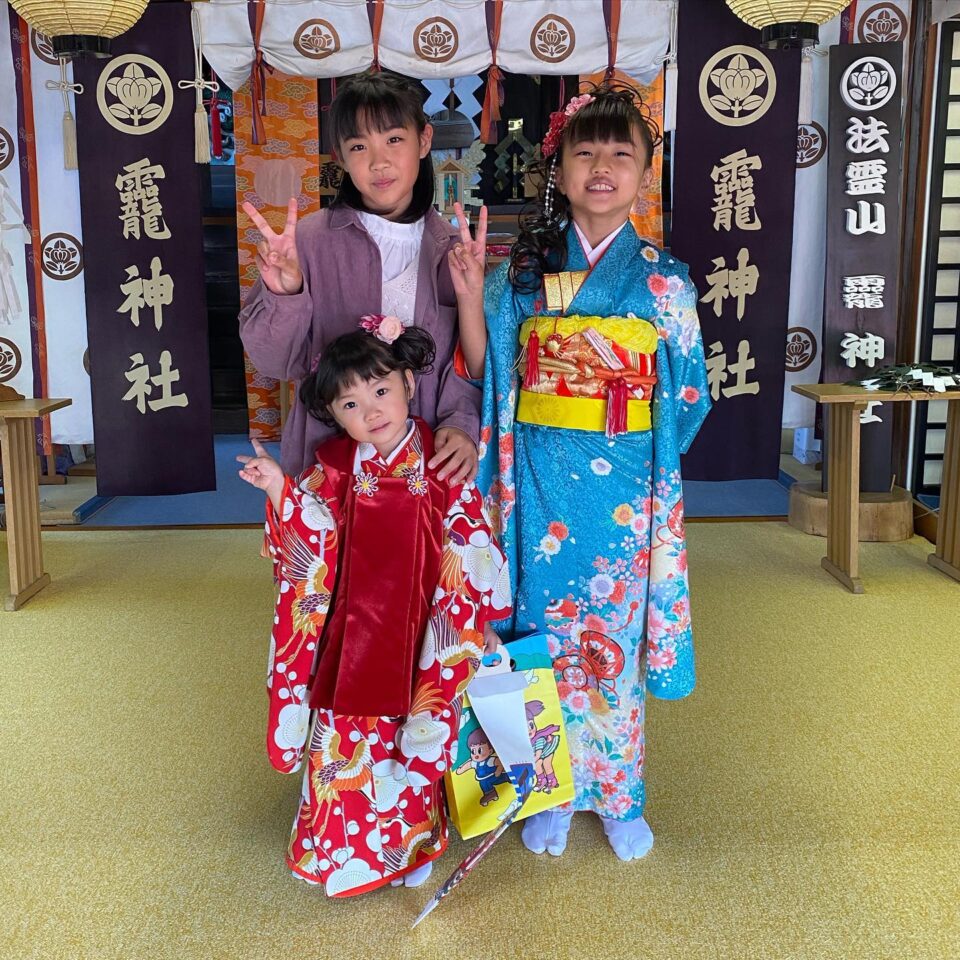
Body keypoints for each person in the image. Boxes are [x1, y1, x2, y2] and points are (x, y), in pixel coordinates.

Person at [453, 84, 711, 862]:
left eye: (620, 154)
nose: (602, 167)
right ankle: (550, 789)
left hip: (624, 489)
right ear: (558, 169)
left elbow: (690, 393)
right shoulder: (521, 275)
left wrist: (637, 458)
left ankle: (621, 792)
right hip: (536, 482)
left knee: (614, 642)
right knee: (539, 640)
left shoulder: (664, 280)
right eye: (584, 152)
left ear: (644, 173)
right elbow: (486, 370)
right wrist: (471, 296)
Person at [237, 321, 511, 898]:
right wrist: (281, 490)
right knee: (345, 748)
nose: (373, 410)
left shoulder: (441, 463)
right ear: (337, 416)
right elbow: (312, 538)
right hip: (351, 634)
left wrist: (473, 625)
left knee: (412, 736)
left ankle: (408, 846)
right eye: (352, 403)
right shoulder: (334, 466)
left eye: (382, 390)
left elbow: (470, 545)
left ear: (410, 383)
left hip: (421, 633)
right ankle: (339, 849)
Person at [239, 70, 484, 483]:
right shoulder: (310, 243)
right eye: (359, 146)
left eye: (393, 139)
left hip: (426, 462)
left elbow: (464, 358)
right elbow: (274, 362)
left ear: (424, 140)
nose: (379, 162)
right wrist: (286, 294)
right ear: (340, 156)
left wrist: (460, 422)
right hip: (330, 463)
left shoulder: (450, 250)